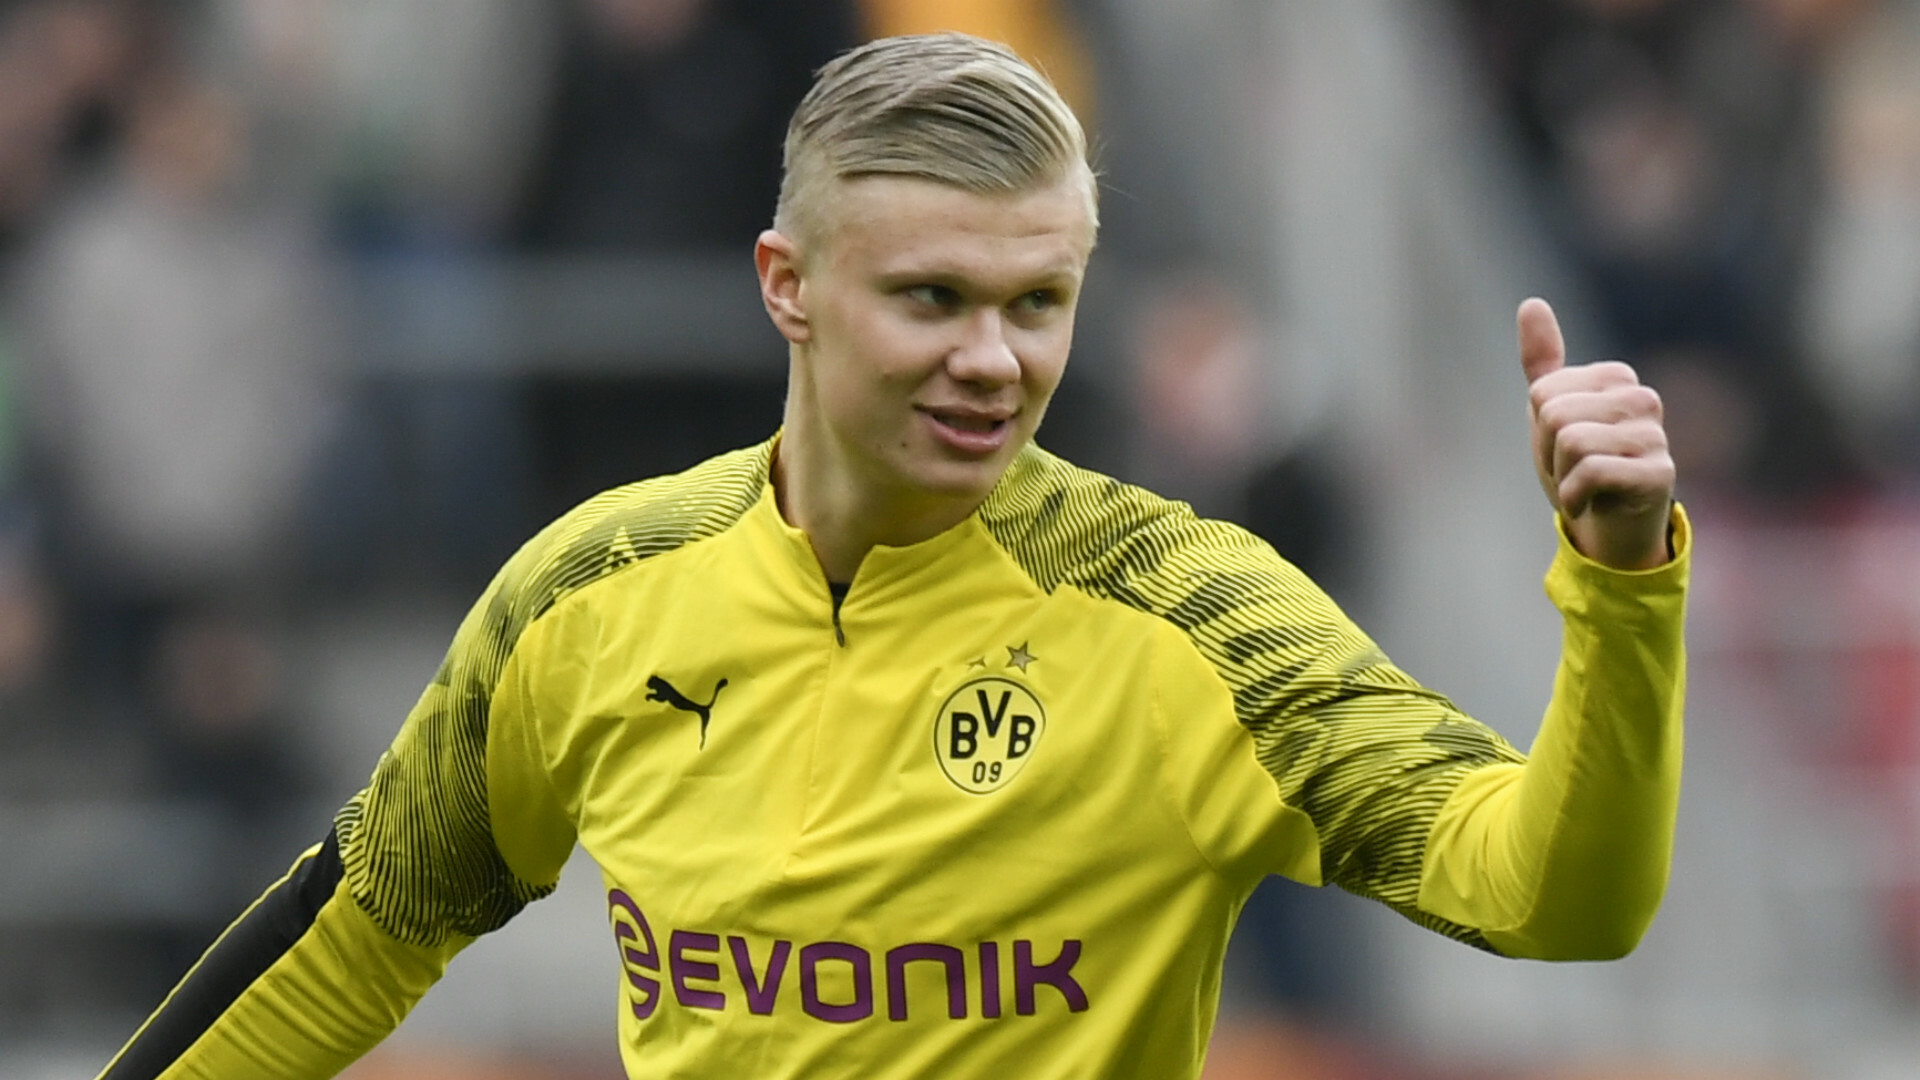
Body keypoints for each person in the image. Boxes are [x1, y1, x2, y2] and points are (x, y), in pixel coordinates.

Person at [95, 32, 1687, 1080]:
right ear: (787, 284)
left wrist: (1620, 588)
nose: (994, 359)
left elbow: (1555, 898)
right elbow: (357, 934)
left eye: (1038, 303)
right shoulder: (593, 596)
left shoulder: (1196, 617)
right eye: (933, 299)